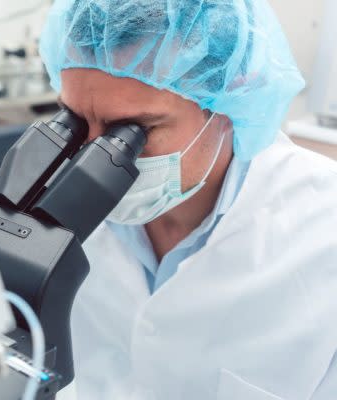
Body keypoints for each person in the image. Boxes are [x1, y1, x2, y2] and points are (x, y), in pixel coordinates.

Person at [38, 0, 337, 399]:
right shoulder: (50, 203)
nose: (92, 161)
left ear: (230, 97)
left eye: (133, 131)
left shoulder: (325, 233)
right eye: (76, 122)